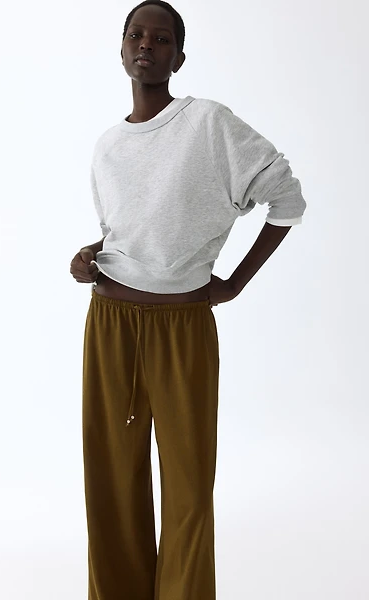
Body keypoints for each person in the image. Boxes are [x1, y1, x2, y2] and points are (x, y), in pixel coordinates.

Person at [69, 2, 307, 599]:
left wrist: (235, 282)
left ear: (178, 57)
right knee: (111, 480)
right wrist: (90, 254)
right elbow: (129, 231)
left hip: (182, 326)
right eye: (136, 35)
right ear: (122, 49)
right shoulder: (107, 146)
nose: (146, 45)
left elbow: (287, 198)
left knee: (189, 487)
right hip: (110, 323)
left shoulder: (207, 123)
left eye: (161, 38)